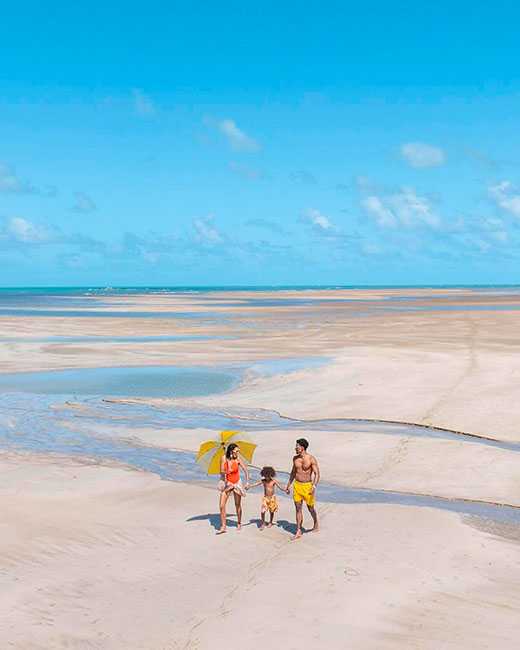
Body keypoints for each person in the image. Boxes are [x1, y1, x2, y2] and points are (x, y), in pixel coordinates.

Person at [285, 438, 320, 540]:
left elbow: (317, 474)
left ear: (302, 447)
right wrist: (288, 485)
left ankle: (315, 522)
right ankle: (298, 530)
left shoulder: (311, 459)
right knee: (298, 508)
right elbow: (293, 472)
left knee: (310, 508)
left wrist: (314, 486)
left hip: (308, 486)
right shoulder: (295, 459)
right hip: (297, 485)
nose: (295, 448)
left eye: (297, 446)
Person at [217, 443, 250, 535]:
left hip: (237, 483)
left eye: (238, 451)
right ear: (231, 451)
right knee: (221, 505)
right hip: (227, 483)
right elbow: (221, 471)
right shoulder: (224, 458)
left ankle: (239, 522)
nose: (238, 452)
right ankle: (223, 526)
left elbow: (246, 471)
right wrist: (227, 470)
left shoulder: (238, 459)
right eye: (236, 451)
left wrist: (247, 482)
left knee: (237, 504)